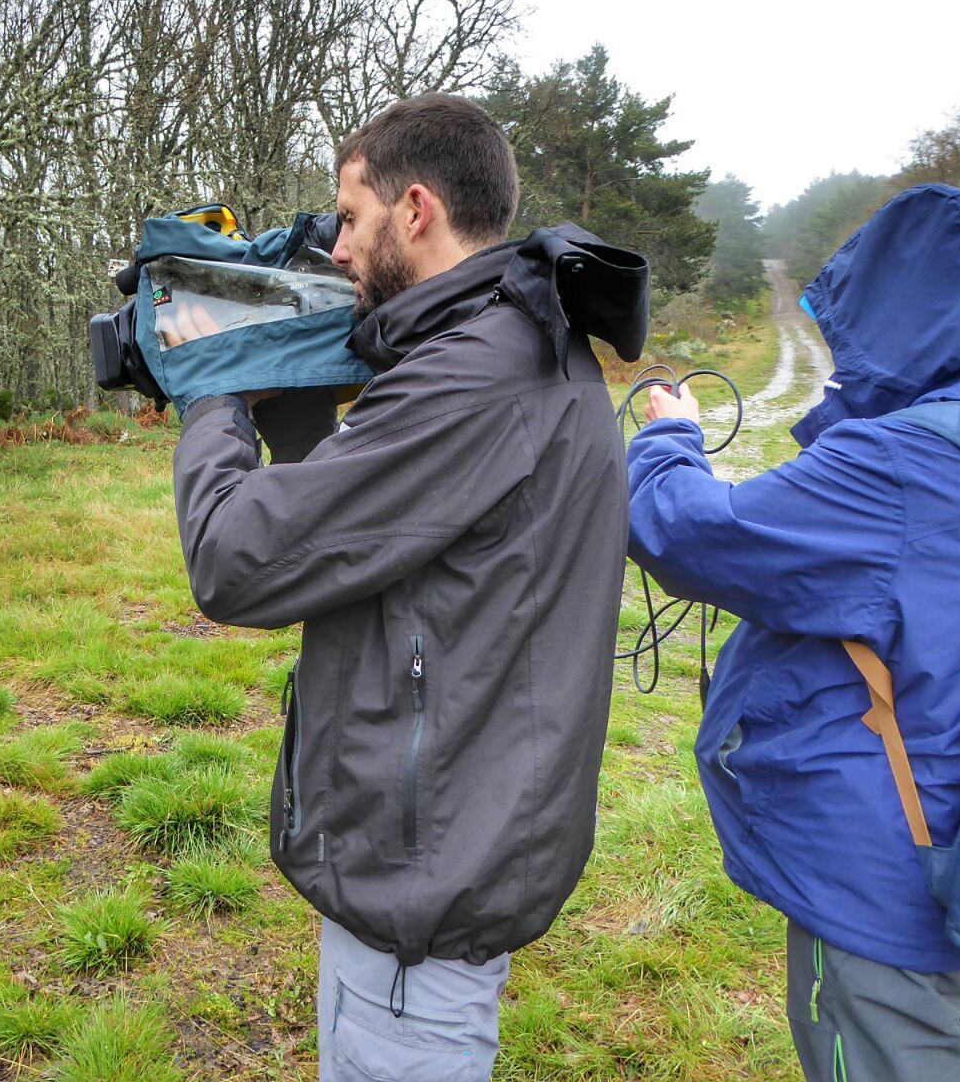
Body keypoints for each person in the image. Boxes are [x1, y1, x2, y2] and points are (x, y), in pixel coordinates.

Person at [169, 94, 639, 1079]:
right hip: (462, 842)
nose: (337, 249)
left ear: (414, 209)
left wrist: (211, 387)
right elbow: (365, 512)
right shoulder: (516, 339)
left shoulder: (474, 378)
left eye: (349, 216)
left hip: (418, 895)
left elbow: (234, 558)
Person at [626, 184, 960, 1082]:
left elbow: (696, 536)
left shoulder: (908, 460)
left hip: (886, 882)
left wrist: (671, 440)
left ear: (908, 303)